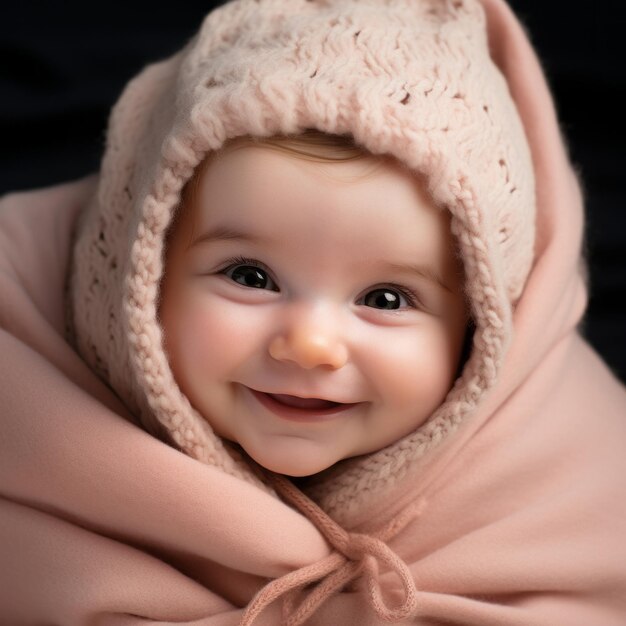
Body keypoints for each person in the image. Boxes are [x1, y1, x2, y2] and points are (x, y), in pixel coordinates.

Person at [1, 0, 625, 624]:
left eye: (386, 299)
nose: (310, 344)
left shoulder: (576, 486)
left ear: (480, 333)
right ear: (139, 275)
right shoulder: (30, 428)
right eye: (250, 276)